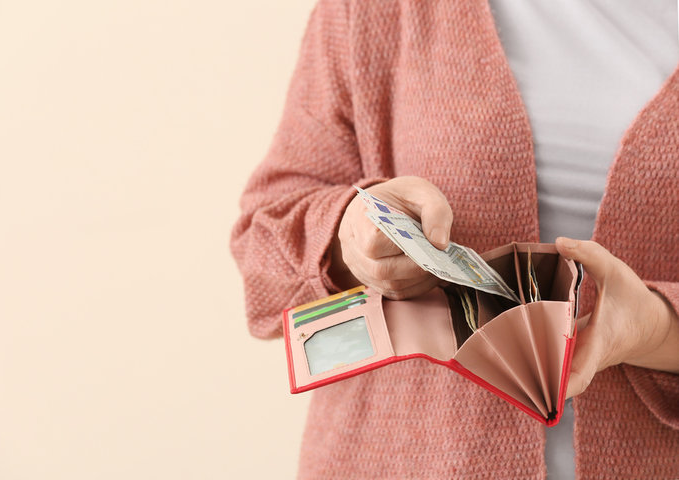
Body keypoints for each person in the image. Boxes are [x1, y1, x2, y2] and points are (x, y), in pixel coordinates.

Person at [230, 1, 679, 478]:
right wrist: (352, 237)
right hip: (400, 462)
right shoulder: (380, 11)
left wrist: (656, 328)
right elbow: (262, 252)